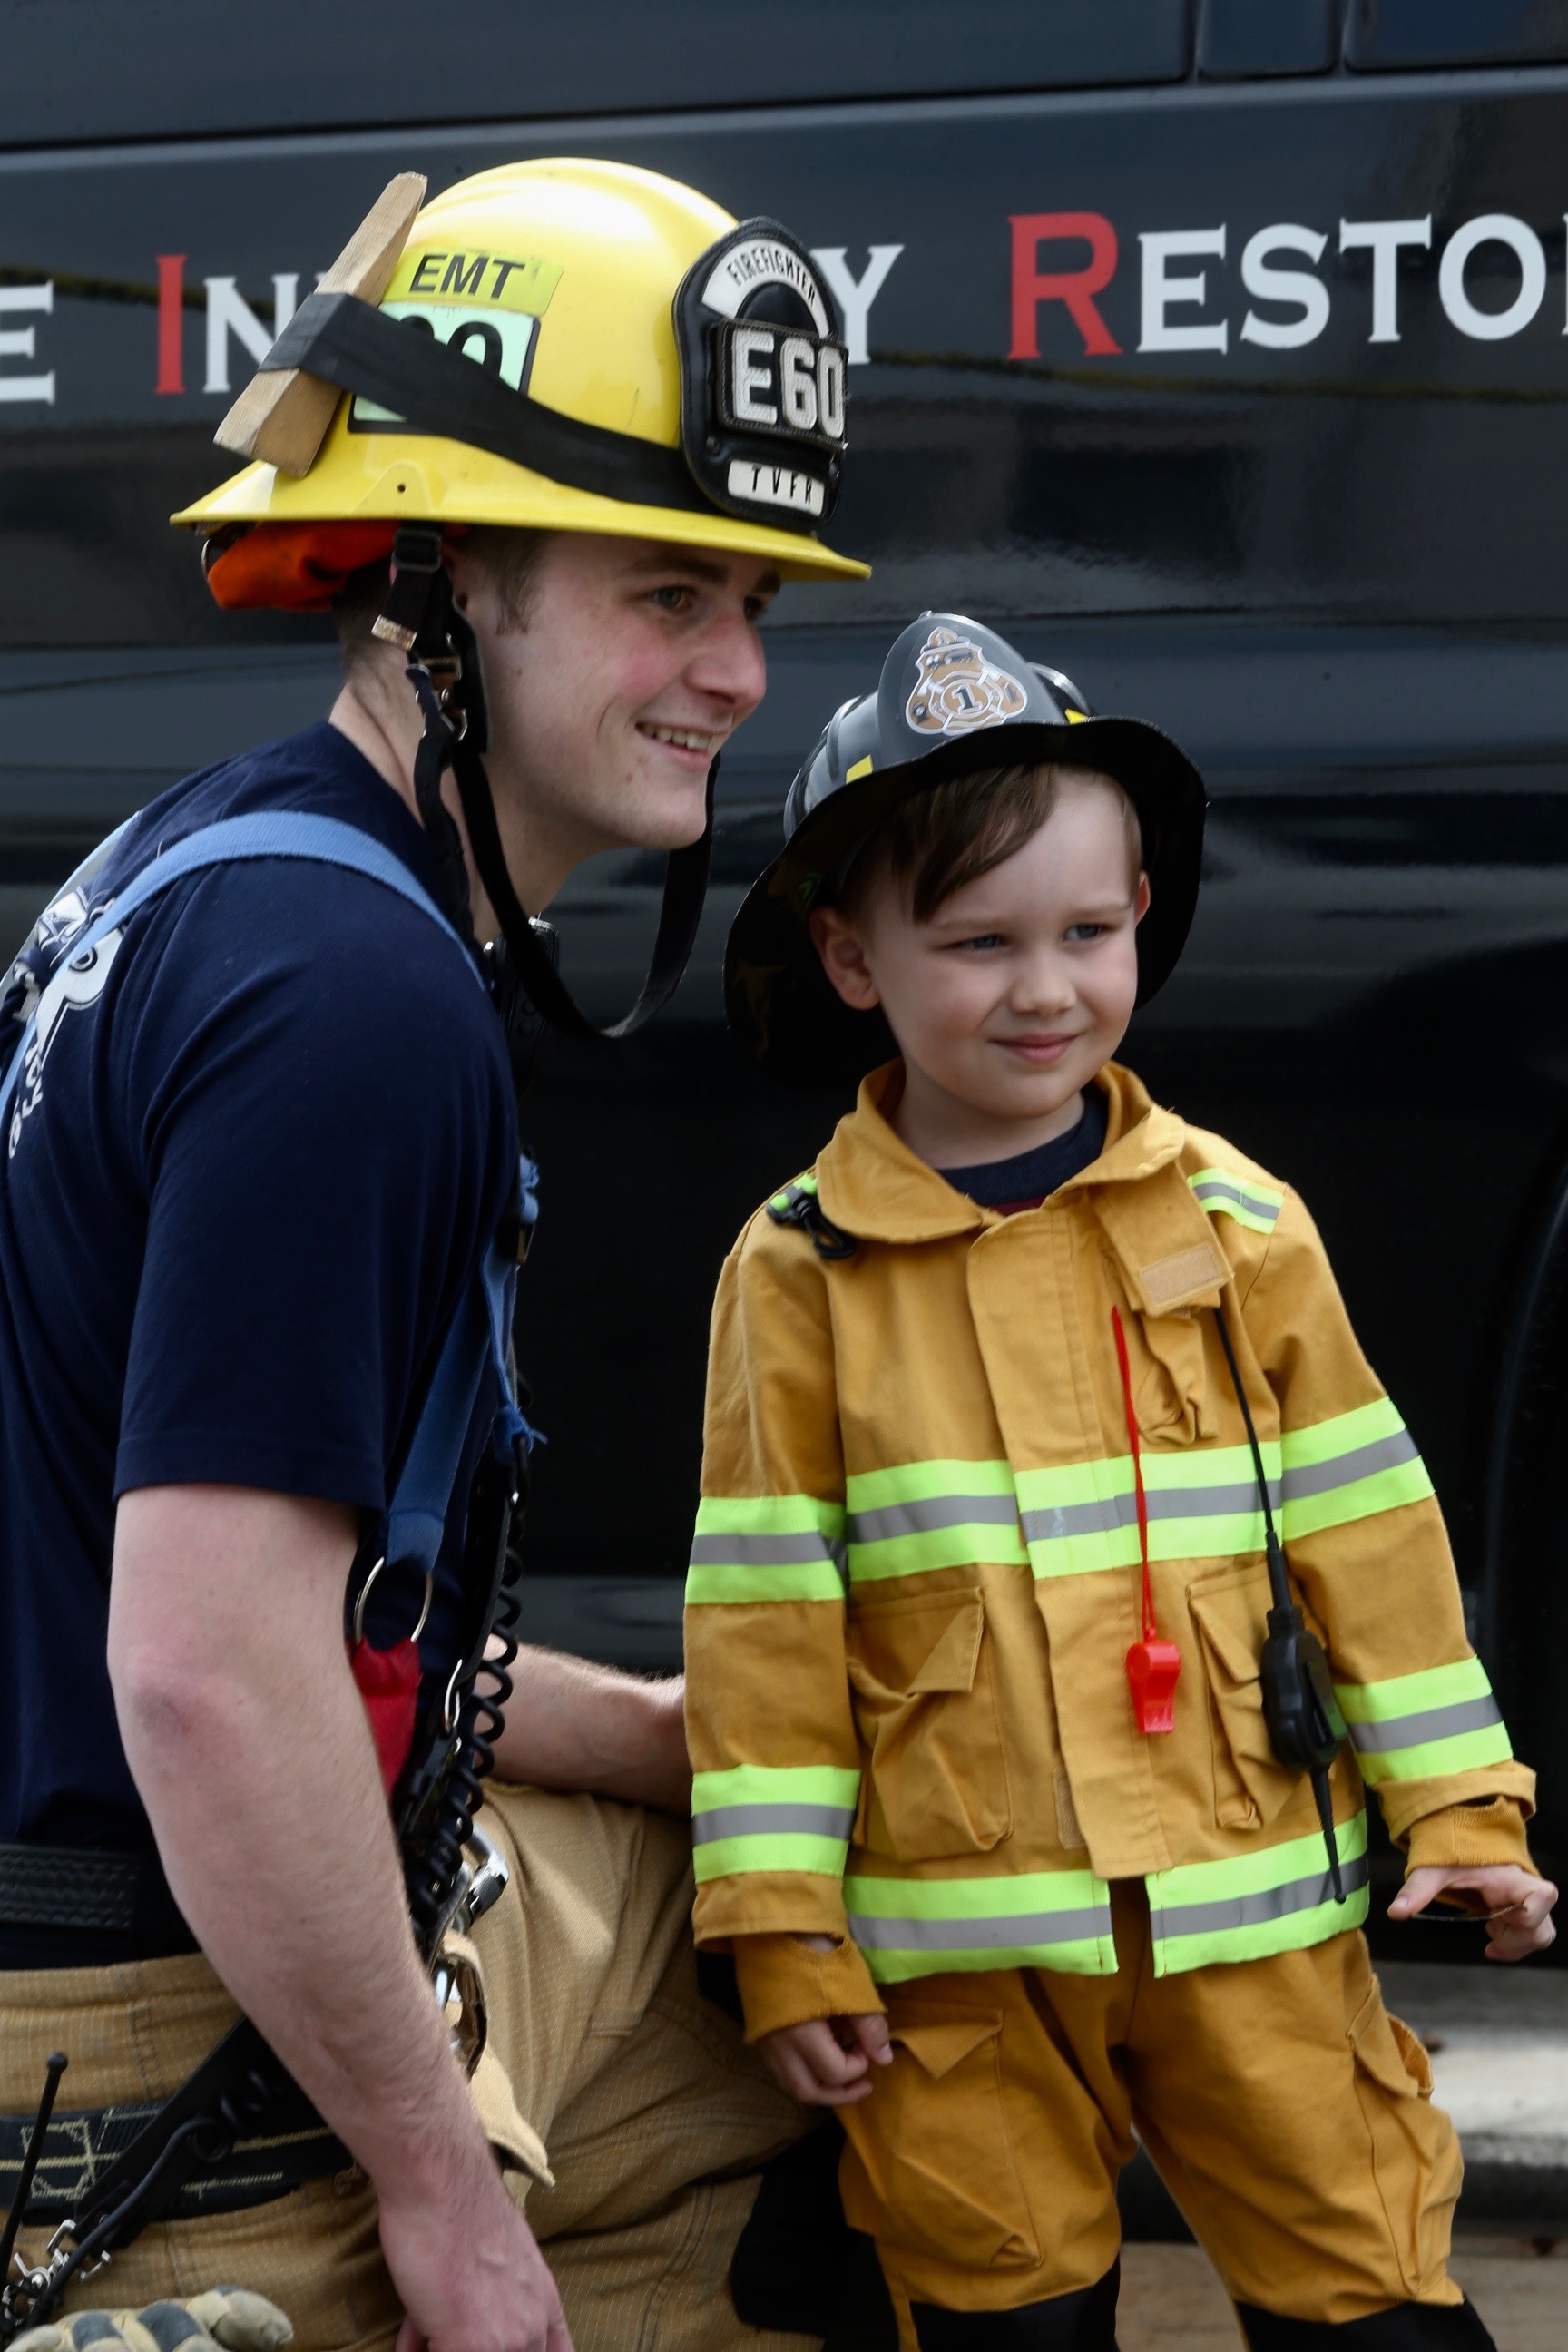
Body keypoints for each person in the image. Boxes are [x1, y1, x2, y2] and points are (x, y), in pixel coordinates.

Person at [0, 158, 865, 2352]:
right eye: (672, 589)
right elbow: (206, 1682)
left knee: (792, 1918)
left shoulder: (206, 865)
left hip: (131, 1879)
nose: (742, 671)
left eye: (754, 599)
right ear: (443, 576)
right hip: (129, 1994)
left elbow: (302, 1636)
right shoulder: (348, 1005)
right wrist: (435, 2198)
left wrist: (659, 1731)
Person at [683, 612, 1559, 2352]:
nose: (1043, 987)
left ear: (1142, 916)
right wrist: (781, 1937)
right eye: (977, 941)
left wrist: (1466, 1812)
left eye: (1088, 931)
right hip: (959, 1987)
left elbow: (1369, 1537)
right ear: (852, 957)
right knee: (1000, 2317)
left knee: (1373, 2301)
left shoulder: (1238, 1226)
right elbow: (765, 1636)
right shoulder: (798, 1275)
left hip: (1258, 1948)